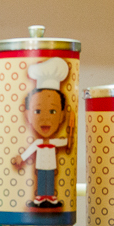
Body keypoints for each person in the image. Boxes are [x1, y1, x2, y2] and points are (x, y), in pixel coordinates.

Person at [10, 57, 70, 210]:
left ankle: (50, 197)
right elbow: (30, 150)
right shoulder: (38, 143)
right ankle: (41, 196)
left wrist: (69, 139)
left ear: (62, 116)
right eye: (37, 111)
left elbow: (65, 142)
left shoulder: (54, 142)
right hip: (41, 165)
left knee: (50, 178)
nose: (45, 118)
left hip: (51, 165)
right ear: (28, 114)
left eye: (52, 111)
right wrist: (21, 158)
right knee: (42, 178)